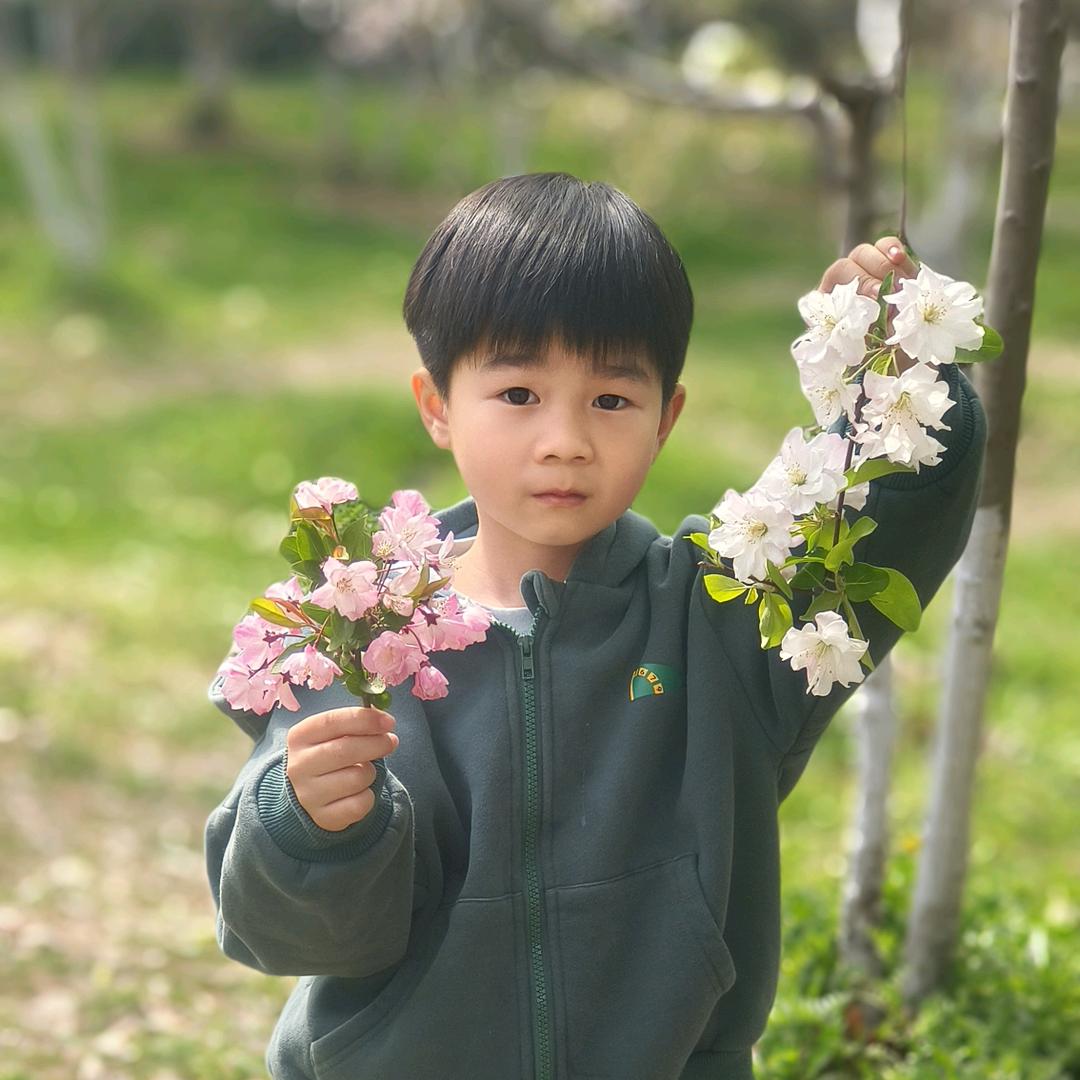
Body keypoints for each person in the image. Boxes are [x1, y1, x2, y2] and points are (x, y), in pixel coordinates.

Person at [204, 172, 987, 1080]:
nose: (565, 439)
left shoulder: (726, 613)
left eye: (612, 399)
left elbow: (895, 518)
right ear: (435, 405)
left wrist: (898, 359)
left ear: (666, 420)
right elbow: (289, 934)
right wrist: (307, 830)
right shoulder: (356, 632)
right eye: (519, 394)